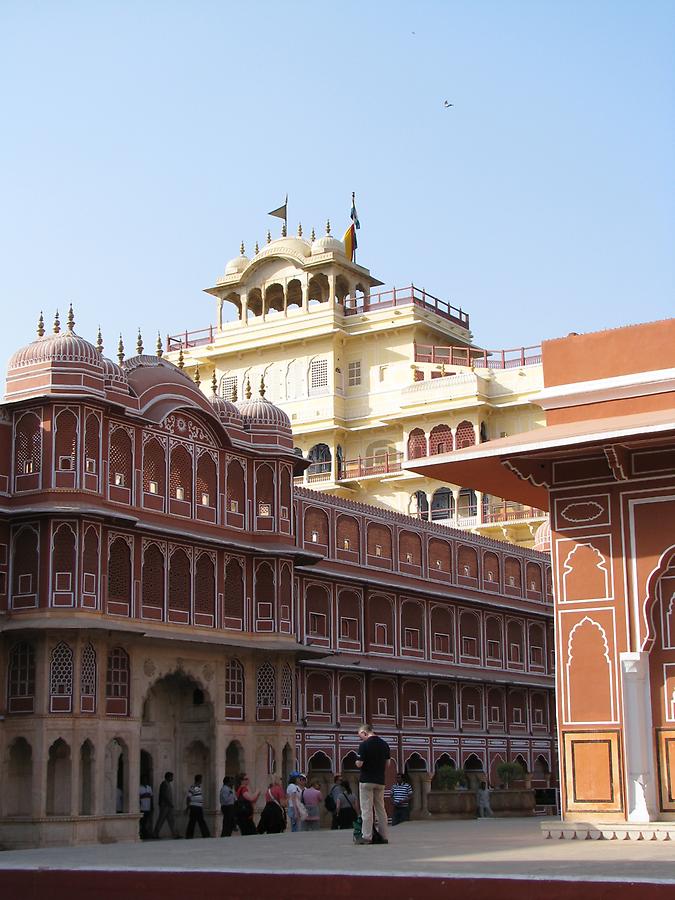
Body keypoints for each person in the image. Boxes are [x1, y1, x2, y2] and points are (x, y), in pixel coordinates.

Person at [355, 723, 391, 845]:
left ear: (365, 733)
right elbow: (388, 763)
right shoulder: (384, 744)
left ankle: (367, 837)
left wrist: (358, 762)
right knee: (381, 809)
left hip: (366, 780)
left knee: (366, 809)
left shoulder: (364, 745)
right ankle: (384, 836)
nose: (360, 738)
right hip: (380, 780)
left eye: (361, 735)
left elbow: (359, 764)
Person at [153, 772, 180, 839]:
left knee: (171, 820)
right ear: (168, 777)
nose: (172, 778)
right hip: (165, 805)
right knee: (161, 820)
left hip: (168, 806)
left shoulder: (168, 784)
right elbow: (164, 795)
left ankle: (175, 834)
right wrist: (169, 803)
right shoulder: (164, 784)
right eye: (171, 777)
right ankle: (155, 834)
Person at [185, 774, 210, 838]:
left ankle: (205, 834)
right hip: (194, 807)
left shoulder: (199, 787)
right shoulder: (193, 787)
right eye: (201, 779)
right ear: (199, 779)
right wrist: (188, 806)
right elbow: (188, 797)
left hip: (198, 807)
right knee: (194, 821)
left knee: (199, 821)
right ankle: (190, 835)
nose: (202, 780)